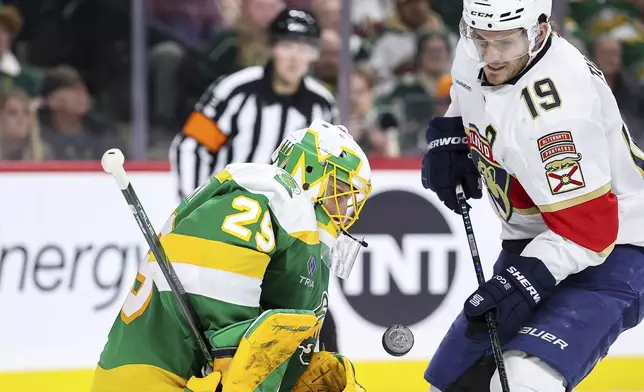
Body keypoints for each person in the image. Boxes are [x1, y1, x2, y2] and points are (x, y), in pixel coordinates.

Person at [420, 0, 644, 391]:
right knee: (455, 382)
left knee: (525, 381)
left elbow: (591, 230)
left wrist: (523, 281)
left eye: (503, 43)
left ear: (540, 30)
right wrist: (452, 132)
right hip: (537, 237)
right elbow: (467, 86)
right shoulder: (481, 42)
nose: (489, 55)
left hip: (616, 247)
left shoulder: (558, 112)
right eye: (480, 40)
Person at [91, 119, 371, 392]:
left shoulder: (301, 231)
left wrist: (294, 372)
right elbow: (211, 273)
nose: (344, 208)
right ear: (309, 171)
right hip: (151, 379)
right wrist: (232, 359)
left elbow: (266, 334)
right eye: (340, 192)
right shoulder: (268, 194)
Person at [169, 8, 337, 201]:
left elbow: (326, 169)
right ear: (272, 47)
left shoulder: (322, 104)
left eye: (304, 49)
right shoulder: (234, 90)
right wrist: (194, 205)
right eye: (287, 45)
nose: (295, 57)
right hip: (224, 212)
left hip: (285, 222)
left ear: (315, 54)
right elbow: (192, 146)